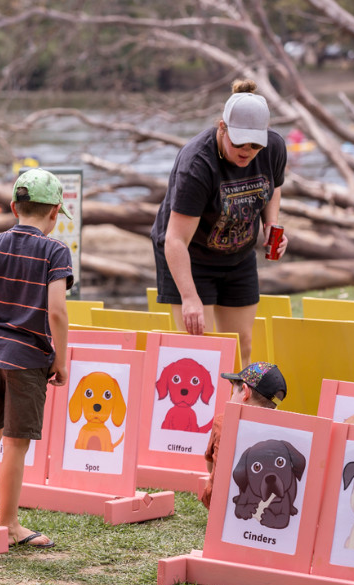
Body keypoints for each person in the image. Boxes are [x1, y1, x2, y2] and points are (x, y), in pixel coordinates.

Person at [0, 168, 73, 548]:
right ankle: (9, 526)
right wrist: (61, 358)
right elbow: (56, 312)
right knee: (16, 442)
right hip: (27, 359)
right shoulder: (55, 251)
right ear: (56, 212)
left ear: (12, 207)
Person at [150, 79, 288, 367]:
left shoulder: (273, 147)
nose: (247, 151)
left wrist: (270, 225)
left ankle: (237, 411)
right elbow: (174, 240)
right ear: (222, 128)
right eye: (239, 142)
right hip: (191, 258)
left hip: (238, 257)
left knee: (242, 346)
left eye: (255, 144)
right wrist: (189, 298)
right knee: (201, 355)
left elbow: (272, 187)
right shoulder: (197, 164)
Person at [200, 362, 287, 510]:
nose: (232, 395)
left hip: (220, 506)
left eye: (234, 392)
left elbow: (211, 466)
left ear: (245, 392)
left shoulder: (222, 421)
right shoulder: (281, 432)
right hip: (263, 507)